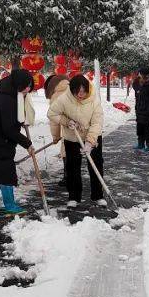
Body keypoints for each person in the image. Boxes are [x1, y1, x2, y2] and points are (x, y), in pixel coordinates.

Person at [0, 68, 35, 214]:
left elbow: (10, 123)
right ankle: (10, 205)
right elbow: (9, 129)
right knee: (5, 172)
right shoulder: (7, 100)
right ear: (19, 84)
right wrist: (27, 143)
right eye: (27, 85)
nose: (28, 89)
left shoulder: (7, 95)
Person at [47, 74, 105, 208]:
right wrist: (66, 122)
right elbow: (52, 113)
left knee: (96, 165)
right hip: (72, 138)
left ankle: (98, 195)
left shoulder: (94, 100)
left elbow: (97, 122)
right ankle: (74, 197)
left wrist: (90, 142)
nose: (81, 94)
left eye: (83, 91)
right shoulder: (64, 99)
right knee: (72, 167)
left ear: (87, 90)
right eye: (77, 92)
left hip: (92, 136)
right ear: (72, 90)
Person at [133, 67, 149, 154]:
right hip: (140, 109)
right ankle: (140, 144)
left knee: (147, 129)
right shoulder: (140, 82)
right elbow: (135, 87)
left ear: (144, 75)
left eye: (140, 73)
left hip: (148, 111)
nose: (138, 75)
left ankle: (148, 146)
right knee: (139, 128)